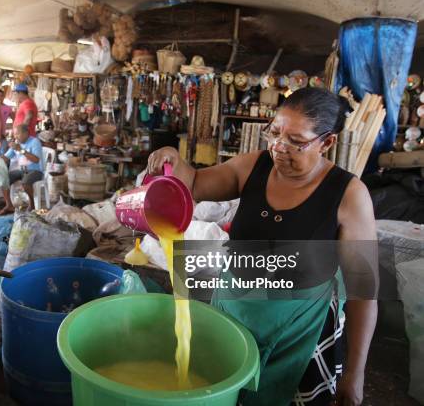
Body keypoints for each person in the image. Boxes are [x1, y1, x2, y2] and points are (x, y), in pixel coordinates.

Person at [148, 87, 377, 406]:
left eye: (296, 141)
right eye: (275, 132)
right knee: (224, 391)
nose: (279, 147)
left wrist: (356, 373)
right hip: (235, 311)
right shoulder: (254, 166)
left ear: (327, 142)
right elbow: (196, 183)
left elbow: (363, 292)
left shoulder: (349, 195)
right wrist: (172, 158)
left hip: (300, 331)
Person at [0, 124, 43, 214]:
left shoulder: (35, 142)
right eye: (14, 134)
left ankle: (32, 205)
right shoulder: (17, 144)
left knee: (25, 183)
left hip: (35, 170)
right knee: (4, 180)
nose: (15, 136)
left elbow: (36, 160)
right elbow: (6, 157)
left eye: (17, 134)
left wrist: (20, 150)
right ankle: (9, 205)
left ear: (26, 133)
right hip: (22, 170)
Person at [0, 88, 14, 155]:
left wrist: (13, 131)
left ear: (4, 97)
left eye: (1, 96)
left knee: (3, 155)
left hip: (2, 135)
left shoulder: (8, 108)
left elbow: (15, 120)